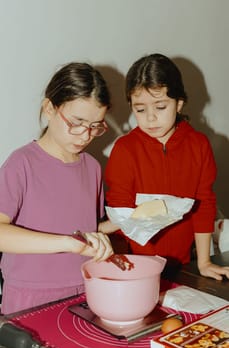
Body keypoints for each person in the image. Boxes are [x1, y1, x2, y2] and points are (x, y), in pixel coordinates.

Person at [0, 62, 114, 314]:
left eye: (96, 126)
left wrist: (128, 222)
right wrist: (67, 243)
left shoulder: (92, 167)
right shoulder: (22, 163)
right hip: (30, 297)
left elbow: (86, 229)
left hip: (85, 288)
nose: (85, 135)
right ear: (49, 108)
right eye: (77, 122)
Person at [103, 53, 229, 281]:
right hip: (137, 266)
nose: (150, 119)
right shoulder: (125, 149)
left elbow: (204, 205)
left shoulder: (198, 145)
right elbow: (121, 213)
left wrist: (204, 262)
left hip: (182, 263)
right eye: (140, 110)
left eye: (160, 107)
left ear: (179, 103)